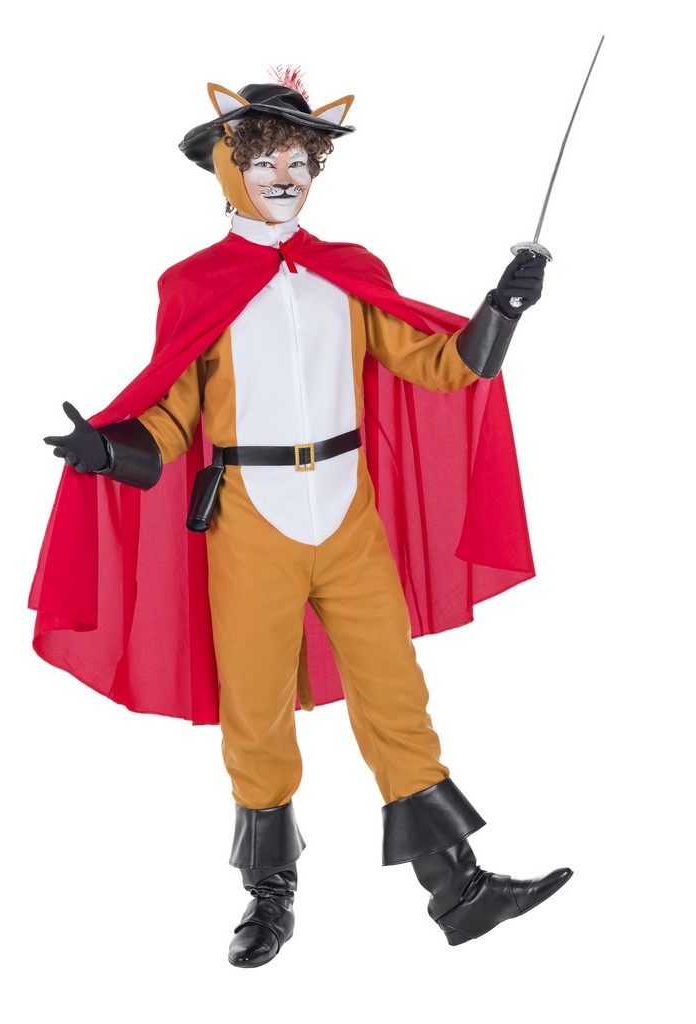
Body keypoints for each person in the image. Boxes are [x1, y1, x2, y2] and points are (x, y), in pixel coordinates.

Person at [34, 72, 572, 969]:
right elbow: (172, 414)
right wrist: (108, 450)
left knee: (394, 693)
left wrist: (503, 307)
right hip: (250, 522)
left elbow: (438, 364)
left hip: (347, 515)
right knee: (254, 709)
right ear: (229, 168)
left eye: (299, 160)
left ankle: (458, 890)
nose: (284, 176)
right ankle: (268, 894)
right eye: (264, 160)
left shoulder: (346, 273)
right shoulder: (194, 285)